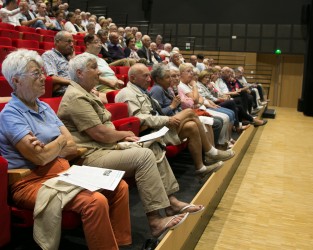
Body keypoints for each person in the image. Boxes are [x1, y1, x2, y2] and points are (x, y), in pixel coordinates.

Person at [58, 53, 201, 238]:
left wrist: (119, 138)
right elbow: (100, 133)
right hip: (89, 156)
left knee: (151, 145)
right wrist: (124, 134)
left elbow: (102, 132)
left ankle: (171, 202)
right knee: (144, 156)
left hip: (104, 148)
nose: (99, 71)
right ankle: (155, 220)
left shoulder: (85, 94)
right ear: (79, 72)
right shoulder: (76, 97)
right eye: (93, 67)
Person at [0, 49, 132, 249]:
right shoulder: (10, 115)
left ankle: (120, 243)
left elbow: (71, 146)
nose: (44, 78)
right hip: (30, 181)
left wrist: (54, 145)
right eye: (36, 74)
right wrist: (59, 143)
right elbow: (39, 157)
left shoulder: (43, 106)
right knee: (94, 201)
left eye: (42, 72)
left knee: (119, 186)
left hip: (63, 171)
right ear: (16, 80)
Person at [115, 63, 235, 176]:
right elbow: (139, 118)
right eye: (145, 76)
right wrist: (167, 118)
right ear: (132, 78)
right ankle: (210, 152)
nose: (148, 79)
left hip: (159, 127)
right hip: (150, 132)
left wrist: (168, 117)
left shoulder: (143, 91)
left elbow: (156, 112)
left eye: (149, 75)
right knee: (189, 112)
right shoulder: (128, 93)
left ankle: (201, 168)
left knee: (192, 126)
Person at [83, 34, 124, 103]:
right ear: (88, 44)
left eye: (100, 42)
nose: (99, 44)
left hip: (113, 86)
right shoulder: (85, 57)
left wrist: (117, 81)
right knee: (125, 98)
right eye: (96, 42)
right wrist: (109, 82)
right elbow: (90, 75)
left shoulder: (101, 59)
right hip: (103, 87)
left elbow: (109, 73)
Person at [42, 31, 74, 97]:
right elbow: (51, 78)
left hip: (74, 88)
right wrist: (73, 83)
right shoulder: (49, 55)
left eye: (72, 42)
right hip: (64, 91)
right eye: (68, 41)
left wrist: (72, 60)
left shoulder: (68, 57)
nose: (72, 44)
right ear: (57, 42)